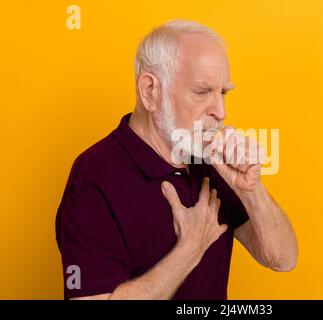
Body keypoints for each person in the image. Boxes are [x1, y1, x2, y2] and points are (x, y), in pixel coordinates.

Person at [55, 19, 298, 300]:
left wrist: (252, 191)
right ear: (150, 91)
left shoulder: (211, 158)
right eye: (203, 91)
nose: (221, 111)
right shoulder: (94, 176)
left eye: (224, 92)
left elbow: (282, 259)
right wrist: (190, 248)